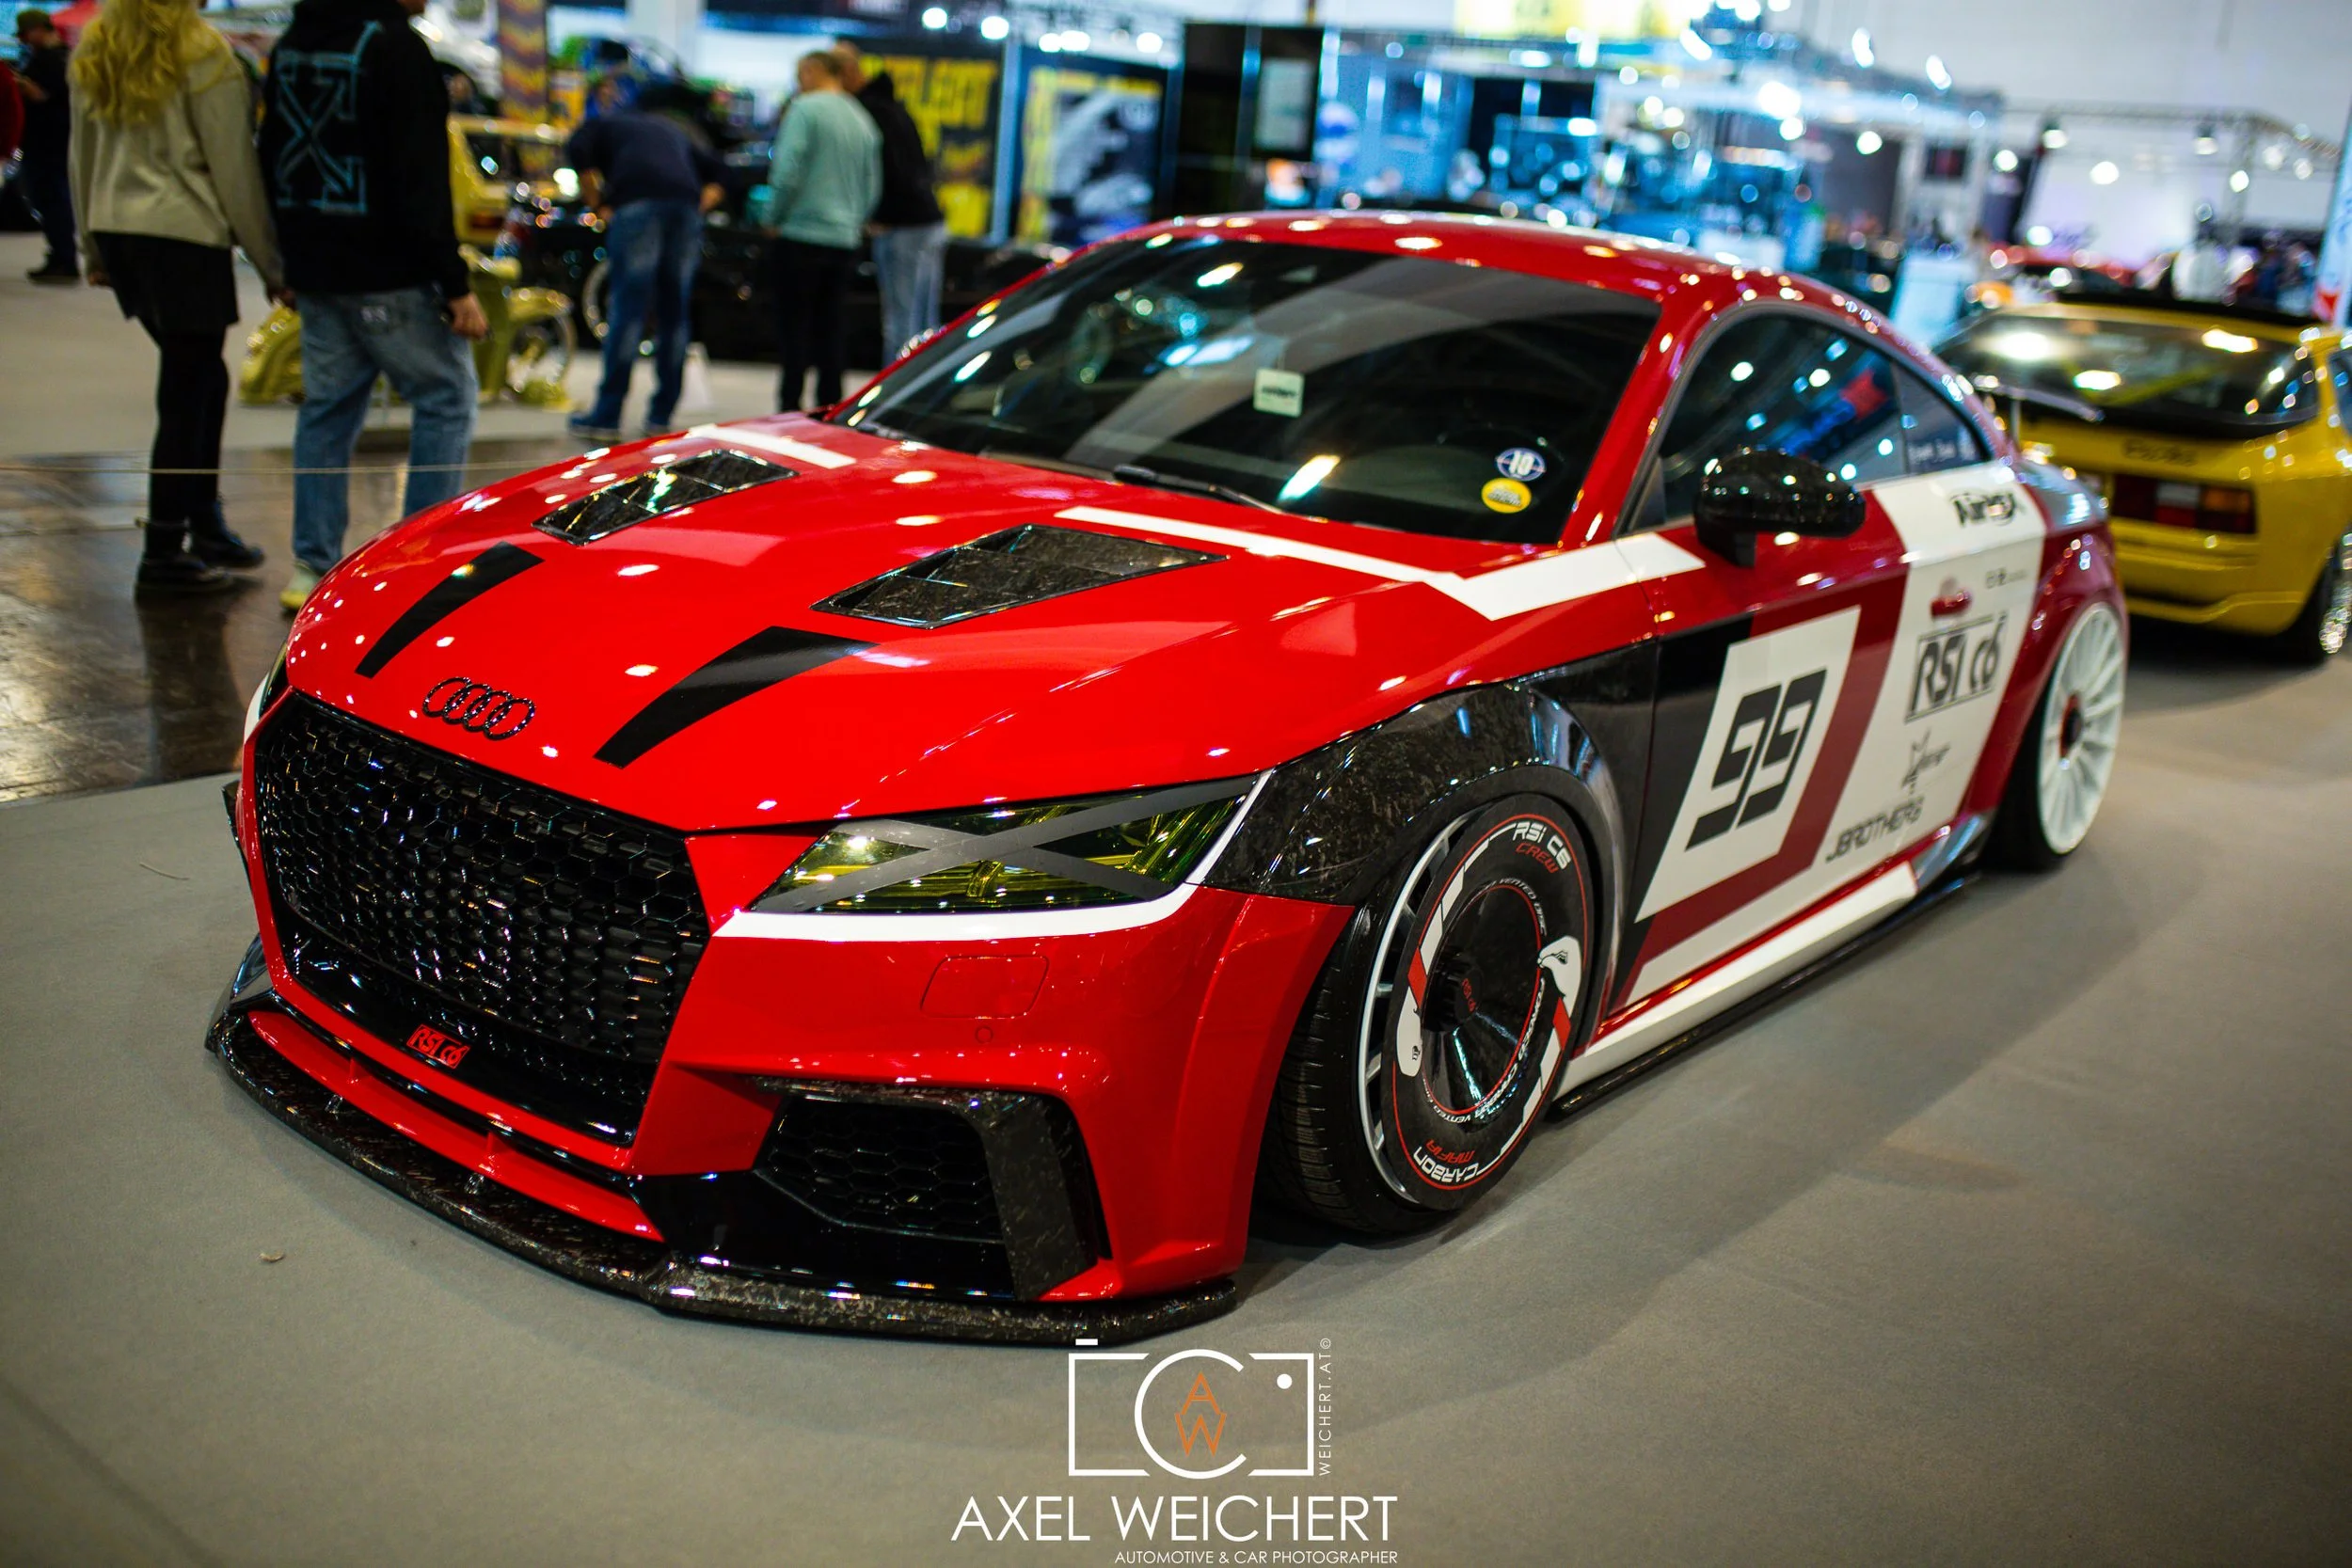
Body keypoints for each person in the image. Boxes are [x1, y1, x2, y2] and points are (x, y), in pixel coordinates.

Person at [258, 0, 485, 612]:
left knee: (327, 411)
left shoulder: (295, 43)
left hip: (317, 269)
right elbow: (421, 177)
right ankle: (419, 564)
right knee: (446, 396)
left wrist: (283, 259)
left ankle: (310, 566)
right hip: (390, 270)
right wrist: (454, 283)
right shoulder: (398, 49)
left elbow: (271, 154)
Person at [67, 0, 283, 594]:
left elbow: (80, 156)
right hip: (183, 234)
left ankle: (202, 522)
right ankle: (164, 549)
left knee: (202, 378)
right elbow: (233, 166)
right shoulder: (204, 52)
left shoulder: (97, 47)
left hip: (120, 232)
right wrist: (270, 262)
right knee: (188, 390)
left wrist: (92, 247)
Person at [564, 99, 725, 440]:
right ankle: (660, 417)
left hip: (638, 205)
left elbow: (577, 151)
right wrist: (698, 204)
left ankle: (606, 417)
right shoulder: (670, 130)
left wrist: (598, 204)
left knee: (628, 310)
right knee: (674, 313)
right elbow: (721, 172)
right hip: (684, 208)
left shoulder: (600, 125)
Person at [765, 48, 877, 412]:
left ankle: (789, 409)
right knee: (832, 329)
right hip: (844, 239)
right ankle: (829, 409)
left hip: (801, 234)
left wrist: (772, 217)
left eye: (800, 74)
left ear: (813, 71)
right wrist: (853, 220)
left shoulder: (805, 109)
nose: (798, 83)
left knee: (794, 329)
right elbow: (872, 185)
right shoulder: (861, 117)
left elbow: (787, 171)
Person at [834, 45, 945, 365]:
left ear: (847, 74)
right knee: (923, 326)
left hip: (903, 225)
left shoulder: (870, 111)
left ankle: (897, 393)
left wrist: (879, 213)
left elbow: (890, 170)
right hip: (926, 221)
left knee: (901, 325)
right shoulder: (891, 106)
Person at [13, 8, 76, 282]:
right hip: (55, 139)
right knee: (50, 198)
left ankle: (64, 257)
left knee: (50, 198)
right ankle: (61, 254)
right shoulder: (64, 57)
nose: (24, 40)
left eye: (26, 34)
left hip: (46, 141)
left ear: (39, 29)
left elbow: (41, 95)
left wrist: (18, 83)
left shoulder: (50, 60)